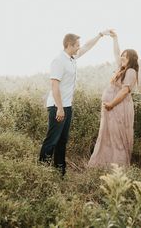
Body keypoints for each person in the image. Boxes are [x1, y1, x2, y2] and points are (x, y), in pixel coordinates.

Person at [39, 30, 110, 175]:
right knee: (52, 140)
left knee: (62, 141)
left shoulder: (71, 58)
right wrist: (59, 108)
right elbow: (54, 85)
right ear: (69, 45)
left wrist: (100, 35)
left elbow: (87, 47)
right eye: (77, 45)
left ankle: (60, 172)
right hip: (57, 106)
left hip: (66, 106)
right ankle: (41, 172)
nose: (79, 47)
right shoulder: (59, 61)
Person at [88, 30, 139, 168]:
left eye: (125, 57)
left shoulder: (131, 71)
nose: (122, 58)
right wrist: (115, 38)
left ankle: (119, 168)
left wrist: (111, 104)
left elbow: (124, 91)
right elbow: (116, 53)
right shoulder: (121, 68)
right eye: (122, 56)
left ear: (131, 59)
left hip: (119, 108)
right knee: (108, 136)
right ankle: (105, 165)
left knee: (118, 138)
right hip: (111, 108)